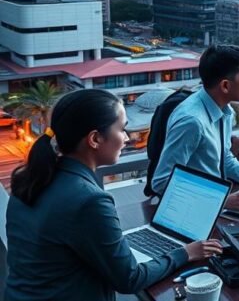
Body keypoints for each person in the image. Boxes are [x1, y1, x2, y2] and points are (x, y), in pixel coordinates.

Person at [5, 89, 222, 301]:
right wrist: (185, 253)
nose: (127, 138)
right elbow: (130, 279)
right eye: (122, 129)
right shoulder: (89, 200)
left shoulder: (30, 179)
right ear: (95, 139)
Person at [152, 45, 239, 210]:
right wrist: (220, 201)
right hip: (190, 210)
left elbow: (225, 159)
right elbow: (161, 182)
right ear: (225, 86)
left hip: (212, 206)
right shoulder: (192, 121)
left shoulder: (224, 111)